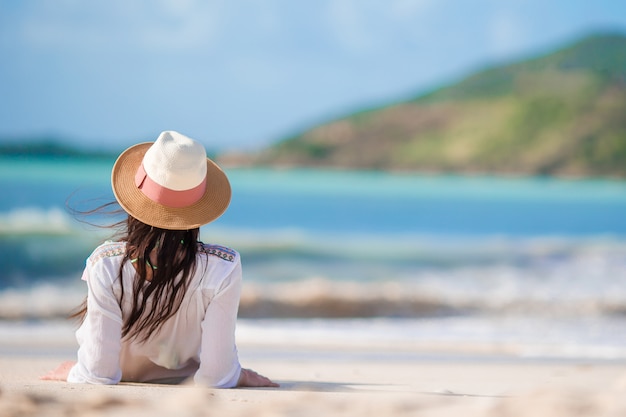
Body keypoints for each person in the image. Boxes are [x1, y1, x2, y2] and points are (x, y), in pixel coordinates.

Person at [41, 130, 278, 388]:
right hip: (183, 378)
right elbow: (215, 377)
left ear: (136, 198)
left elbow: (98, 374)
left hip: (123, 375)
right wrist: (238, 375)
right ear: (198, 207)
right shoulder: (222, 267)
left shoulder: (105, 264)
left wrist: (76, 371)